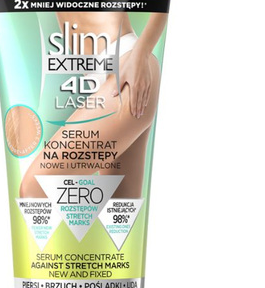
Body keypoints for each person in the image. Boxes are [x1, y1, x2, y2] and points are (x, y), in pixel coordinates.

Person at [20, 11, 167, 199]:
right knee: (119, 210)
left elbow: (160, 3)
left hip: (127, 66)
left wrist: (141, 54)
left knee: (34, 189)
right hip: (106, 74)